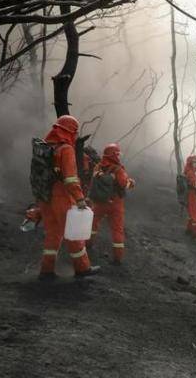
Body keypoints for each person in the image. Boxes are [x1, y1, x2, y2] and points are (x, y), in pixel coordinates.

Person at [38, 115, 100, 281]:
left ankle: (46, 270)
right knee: (74, 233)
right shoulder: (65, 149)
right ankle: (83, 268)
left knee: (53, 233)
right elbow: (71, 178)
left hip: (44, 195)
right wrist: (79, 198)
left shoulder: (46, 148)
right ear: (71, 131)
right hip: (61, 195)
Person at [90, 143, 135, 265]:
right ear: (114, 155)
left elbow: (94, 181)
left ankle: (88, 245)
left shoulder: (98, 167)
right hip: (115, 204)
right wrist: (131, 182)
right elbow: (124, 184)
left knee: (93, 224)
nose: (119, 157)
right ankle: (117, 258)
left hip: (99, 202)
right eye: (118, 154)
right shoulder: (118, 170)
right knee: (117, 230)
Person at [182, 155, 196, 239]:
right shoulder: (190, 172)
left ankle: (189, 230)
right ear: (190, 163)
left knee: (191, 213)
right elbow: (194, 184)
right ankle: (195, 233)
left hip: (190, 194)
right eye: (194, 162)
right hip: (191, 195)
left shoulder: (190, 171)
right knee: (195, 214)